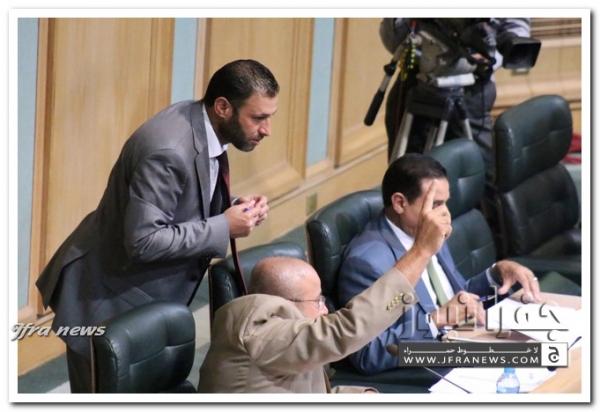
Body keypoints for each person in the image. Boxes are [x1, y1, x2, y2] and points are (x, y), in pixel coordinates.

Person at [35, 59, 277, 393]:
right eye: (258, 118)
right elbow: (144, 240)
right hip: (106, 300)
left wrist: (233, 208)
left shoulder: (200, 123)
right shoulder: (168, 150)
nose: (267, 129)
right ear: (223, 107)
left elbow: (181, 199)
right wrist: (223, 226)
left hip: (141, 298)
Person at [197, 179, 453, 393]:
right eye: (317, 301)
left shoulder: (287, 338)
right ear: (286, 304)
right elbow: (346, 330)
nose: (325, 310)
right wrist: (421, 251)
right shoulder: (264, 334)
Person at [337, 153, 543, 375]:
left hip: (464, 341)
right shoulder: (367, 263)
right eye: (435, 204)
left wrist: (496, 275)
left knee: (547, 355)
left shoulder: (429, 231)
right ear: (399, 203)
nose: (445, 214)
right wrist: (436, 321)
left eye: (445, 202)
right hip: (427, 368)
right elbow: (368, 354)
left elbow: (454, 298)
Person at [379, 18, 533, 166]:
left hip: (473, 88)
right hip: (419, 82)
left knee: (477, 170)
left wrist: (489, 56)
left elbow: (518, 25)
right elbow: (393, 40)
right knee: (411, 176)